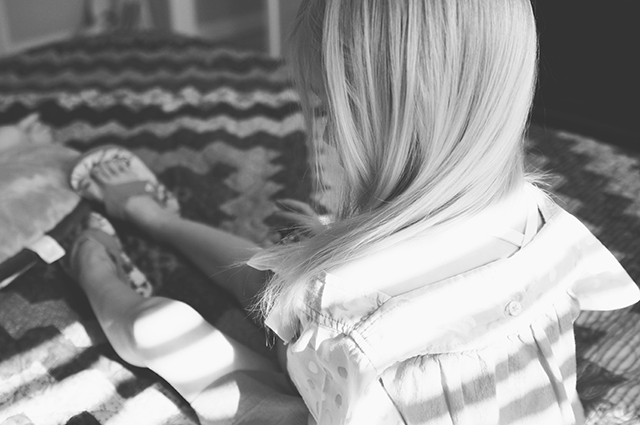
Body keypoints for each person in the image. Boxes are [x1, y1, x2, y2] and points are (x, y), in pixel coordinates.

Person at [64, 0, 639, 424]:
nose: (324, 134)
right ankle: (157, 220)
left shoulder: (335, 296)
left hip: (346, 374)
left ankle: (93, 256)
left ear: (374, 117)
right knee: (285, 284)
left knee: (154, 328)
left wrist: (314, 288)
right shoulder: (548, 225)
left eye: (327, 109)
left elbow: (307, 320)